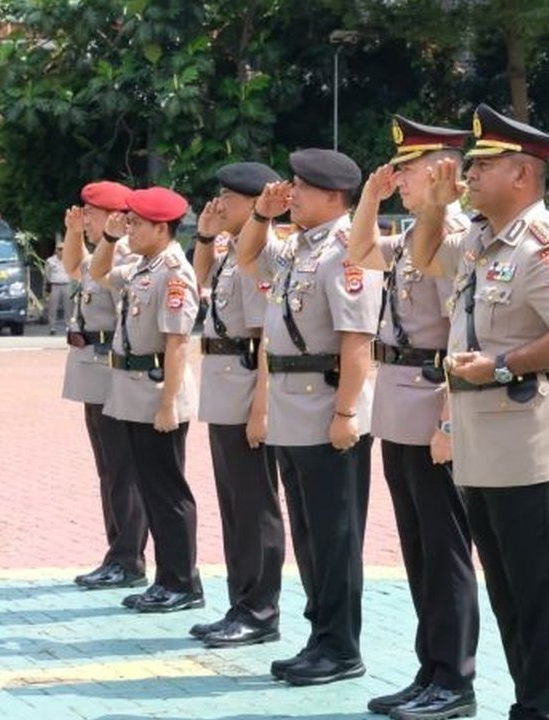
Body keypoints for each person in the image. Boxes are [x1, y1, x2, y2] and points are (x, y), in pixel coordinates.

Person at [410, 103, 549, 720]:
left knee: (539, 597)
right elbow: (424, 257)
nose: (468, 173)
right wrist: (436, 204)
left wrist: (502, 365)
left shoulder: (541, 246)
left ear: (521, 175)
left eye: (482, 164)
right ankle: (529, 704)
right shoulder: (480, 240)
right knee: (508, 597)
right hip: (485, 443)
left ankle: (547, 709)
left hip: (531, 445)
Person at [346, 115, 481, 720]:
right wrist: (369, 202)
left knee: (446, 551)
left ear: (441, 173)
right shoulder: (411, 238)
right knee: (417, 549)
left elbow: (462, 332)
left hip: (432, 407)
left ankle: (455, 678)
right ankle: (429, 670)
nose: (397, 177)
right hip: (399, 407)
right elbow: (361, 252)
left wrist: (449, 422)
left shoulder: (454, 237)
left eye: (407, 170)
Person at [235, 148, 381, 686]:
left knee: (336, 536)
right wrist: (261, 215)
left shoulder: (347, 250)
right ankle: (320, 636)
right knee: (310, 535)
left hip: (327, 406)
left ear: (334, 197)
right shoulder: (298, 246)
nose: (290, 192)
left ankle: (342, 647)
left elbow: (357, 343)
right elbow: (248, 258)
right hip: (295, 408)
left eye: (301, 186)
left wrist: (345, 412)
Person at [91, 186, 205, 614]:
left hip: (157, 390)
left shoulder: (174, 271)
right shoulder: (143, 266)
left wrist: (168, 403)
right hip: (133, 390)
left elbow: (177, 344)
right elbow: (101, 273)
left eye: (137, 223)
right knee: (151, 489)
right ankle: (166, 579)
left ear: (161, 228)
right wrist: (108, 239)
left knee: (167, 491)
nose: (129, 229)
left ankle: (182, 582)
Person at [188, 161, 287, 648]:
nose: (219, 204)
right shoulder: (230, 251)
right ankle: (240, 602)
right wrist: (205, 238)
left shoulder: (259, 257)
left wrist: (262, 409)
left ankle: (260, 610)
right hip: (225, 387)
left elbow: (269, 336)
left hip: (247, 387)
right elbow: (199, 282)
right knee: (233, 506)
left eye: (229, 198)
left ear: (253, 205)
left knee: (255, 507)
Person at [62, 181, 150, 591]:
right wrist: (75, 233)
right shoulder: (101, 253)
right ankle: (117, 553)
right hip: (94, 371)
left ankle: (128, 558)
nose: (87, 218)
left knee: (123, 471)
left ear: (115, 216)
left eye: (92, 214)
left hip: (114, 372)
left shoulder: (127, 256)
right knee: (108, 471)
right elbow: (72, 268)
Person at [45, 245, 73, 335]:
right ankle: (52, 327)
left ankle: (68, 326)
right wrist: (48, 284)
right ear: (56, 250)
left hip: (66, 284)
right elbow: (47, 274)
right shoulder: (50, 261)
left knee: (68, 307)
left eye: (63, 249)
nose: (61, 251)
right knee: (52, 308)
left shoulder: (69, 259)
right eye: (59, 249)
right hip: (55, 285)